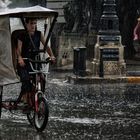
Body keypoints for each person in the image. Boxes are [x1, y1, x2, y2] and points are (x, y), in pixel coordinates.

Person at [16, 17, 55, 104]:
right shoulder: (22, 35)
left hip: (35, 61)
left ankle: (39, 97)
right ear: (26, 24)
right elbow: (18, 49)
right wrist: (20, 58)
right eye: (31, 23)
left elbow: (46, 46)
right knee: (26, 80)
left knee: (42, 79)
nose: (33, 25)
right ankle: (25, 98)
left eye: (34, 23)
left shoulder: (39, 34)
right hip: (24, 62)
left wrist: (52, 55)